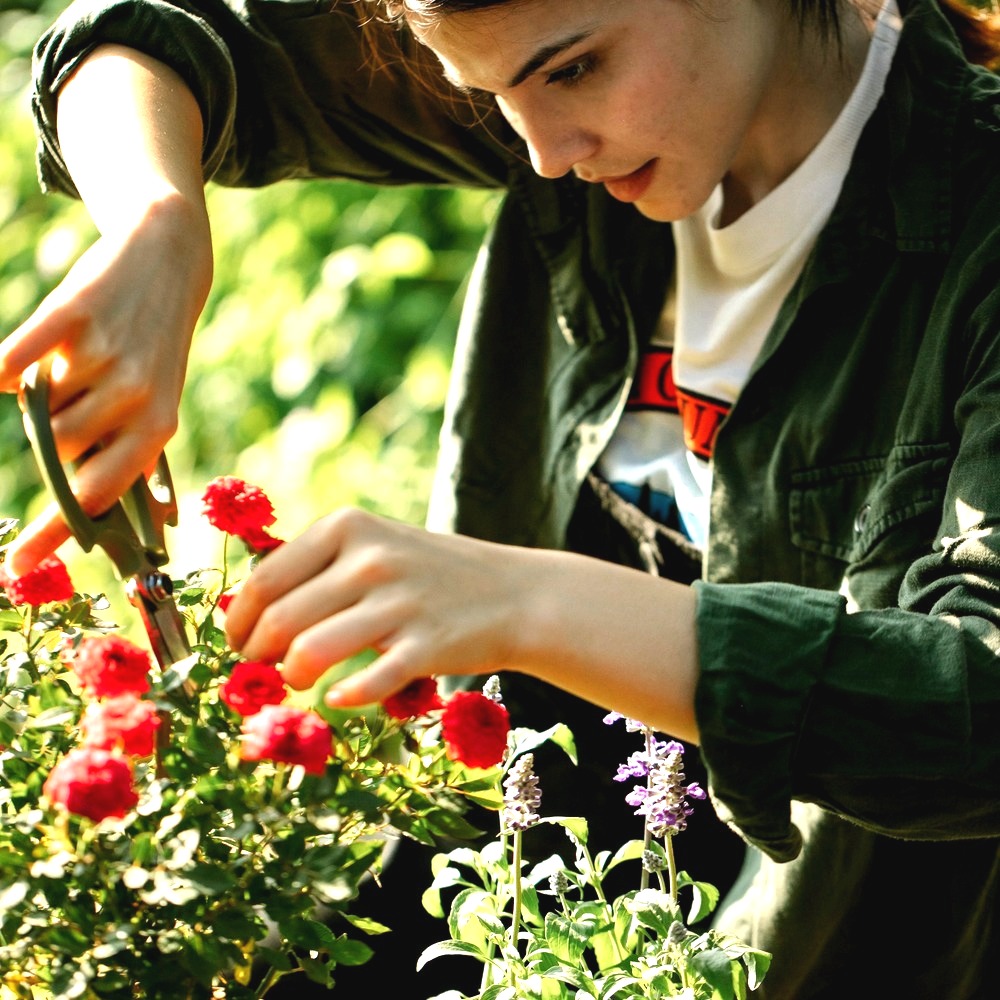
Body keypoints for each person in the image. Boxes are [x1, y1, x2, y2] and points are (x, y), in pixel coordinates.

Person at [5, 0, 1000, 995]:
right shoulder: (559, 75)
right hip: (500, 870)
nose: (543, 156)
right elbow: (140, 34)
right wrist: (159, 222)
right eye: (480, 94)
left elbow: (975, 710)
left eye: (570, 72)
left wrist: (526, 605)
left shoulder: (975, 216)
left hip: (819, 934)